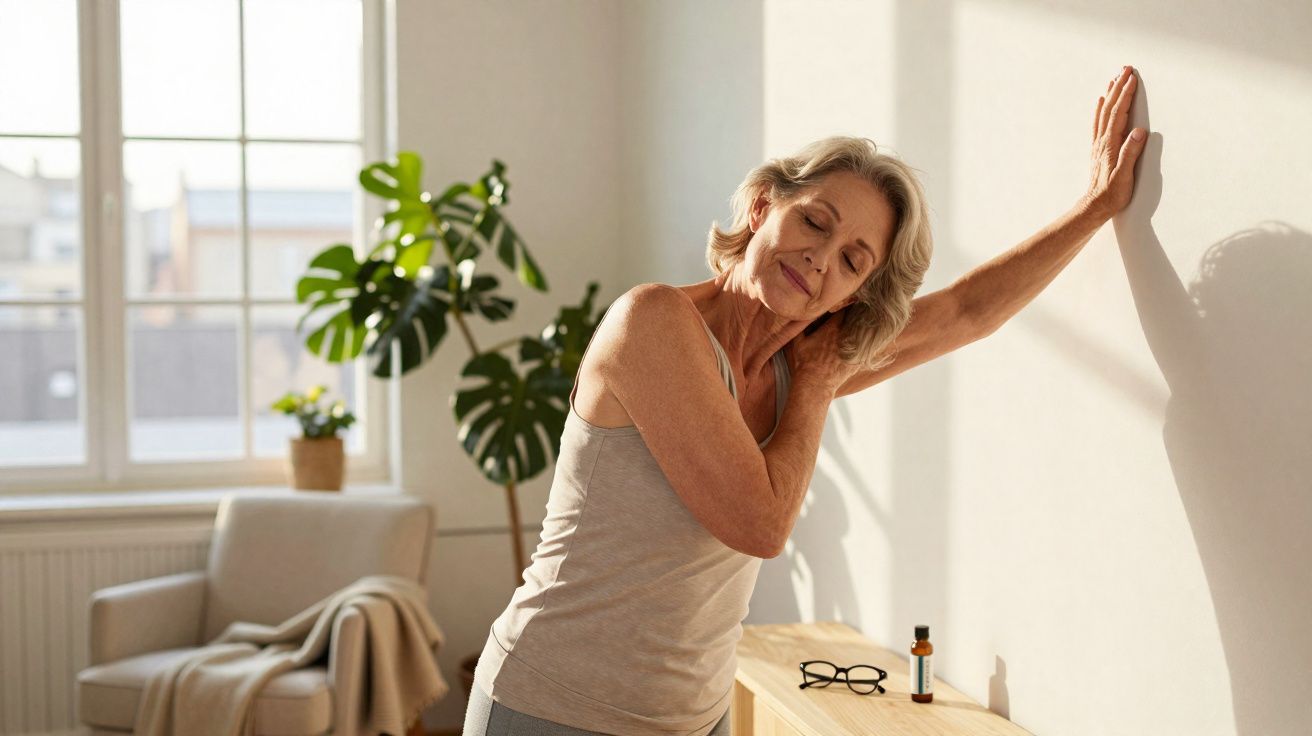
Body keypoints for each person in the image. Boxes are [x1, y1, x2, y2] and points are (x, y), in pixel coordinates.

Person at [463, 66, 1146, 736]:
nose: (823, 258)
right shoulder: (655, 324)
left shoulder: (804, 361)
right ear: (764, 206)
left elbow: (966, 311)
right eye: (816, 222)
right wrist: (818, 387)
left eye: (853, 259)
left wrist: (1097, 207)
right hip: (553, 707)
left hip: (693, 719)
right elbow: (759, 525)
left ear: (855, 295)